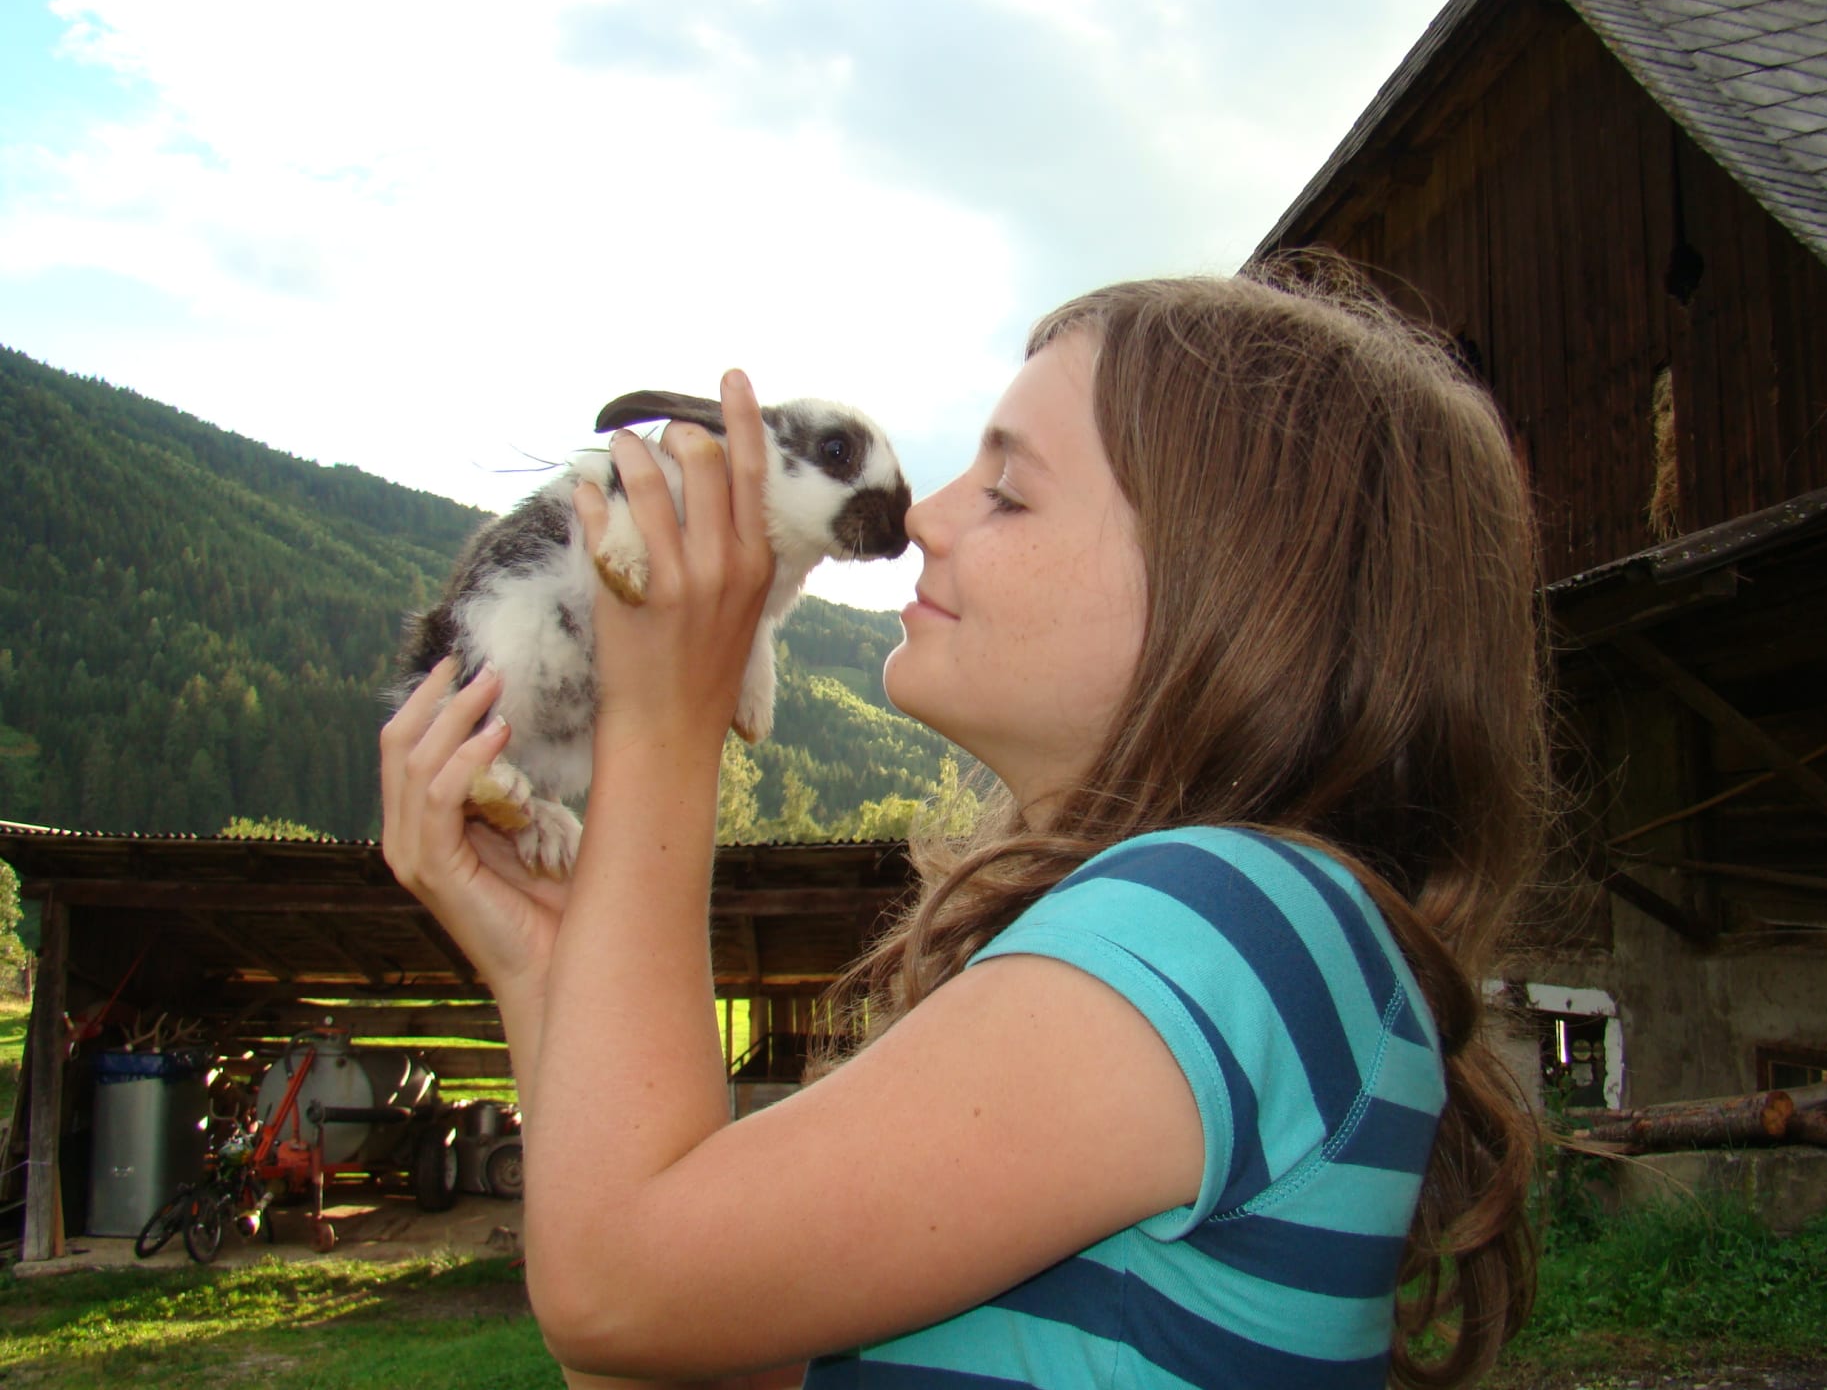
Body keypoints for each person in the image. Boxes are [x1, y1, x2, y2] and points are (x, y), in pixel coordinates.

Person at [381, 262, 1549, 1390]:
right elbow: (667, 1353)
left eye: (1007, 491)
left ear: (1237, 593)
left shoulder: (1234, 924)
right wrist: (553, 972)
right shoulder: (1200, 952)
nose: (926, 517)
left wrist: (664, 721)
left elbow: (614, 1287)